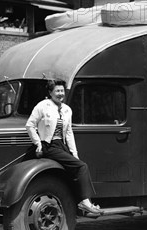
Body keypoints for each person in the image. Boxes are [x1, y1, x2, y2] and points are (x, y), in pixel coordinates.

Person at [26, 79, 103, 216]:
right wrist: (38, 143)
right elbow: (30, 125)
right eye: (57, 91)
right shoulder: (43, 105)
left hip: (61, 145)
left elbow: (69, 133)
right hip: (48, 145)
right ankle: (85, 202)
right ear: (50, 92)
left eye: (62, 91)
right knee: (82, 167)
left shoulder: (67, 109)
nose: (60, 94)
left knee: (76, 166)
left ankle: (78, 203)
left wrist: (74, 153)